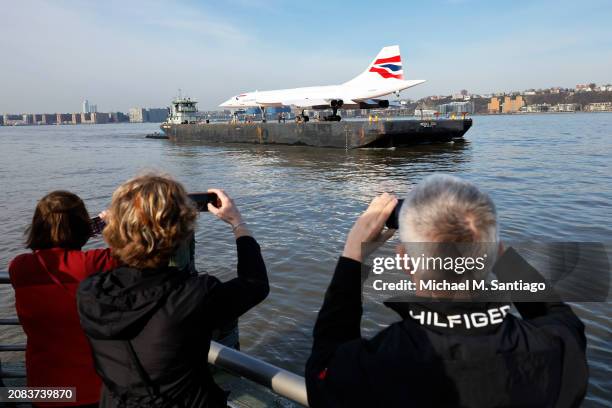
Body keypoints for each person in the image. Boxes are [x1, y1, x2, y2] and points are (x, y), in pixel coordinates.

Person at [306, 174, 588, 407]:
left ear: (404, 258)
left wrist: (354, 253)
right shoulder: (554, 350)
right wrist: (500, 256)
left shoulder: (381, 362)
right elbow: (559, 315)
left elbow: (323, 368)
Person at [77, 173, 269, 408]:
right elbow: (255, 284)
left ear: (118, 230)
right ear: (181, 233)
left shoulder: (90, 292)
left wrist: (116, 228)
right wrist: (237, 222)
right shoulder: (194, 295)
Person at [8, 191, 118, 407]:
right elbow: (139, 253)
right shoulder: (93, 263)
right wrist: (114, 228)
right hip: (91, 388)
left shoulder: (18, 267)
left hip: (43, 389)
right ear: (82, 226)